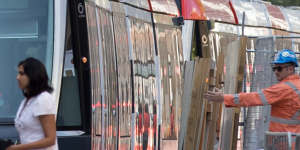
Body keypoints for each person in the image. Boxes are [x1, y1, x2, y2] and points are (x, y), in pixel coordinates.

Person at [204, 49, 300, 133]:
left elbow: (253, 98)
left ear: (290, 69)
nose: (275, 72)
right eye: (274, 68)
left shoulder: (284, 89)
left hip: (283, 142)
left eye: (279, 68)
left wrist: (224, 98)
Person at [7, 58, 58, 150]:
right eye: (18, 73)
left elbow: (50, 139)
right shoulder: (26, 101)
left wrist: (18, 148)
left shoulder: (43, 99)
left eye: (21, 74)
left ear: (33, 75)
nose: (17, 77)